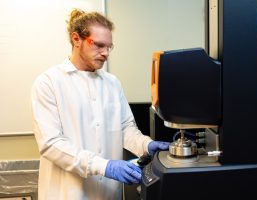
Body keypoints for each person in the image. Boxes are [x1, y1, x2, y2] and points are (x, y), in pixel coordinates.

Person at [31, 8, 169, 200]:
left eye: (109, 47)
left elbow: (125, 129)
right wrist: (104, 166)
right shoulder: (49, 82)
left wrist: (146, 145)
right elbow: (51, 144)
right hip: (67, 193)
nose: (105, 53)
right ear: (76, 39)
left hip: (108, 193)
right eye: (99, 45)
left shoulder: (112, 83)